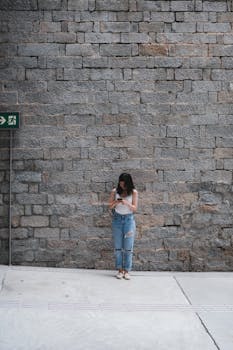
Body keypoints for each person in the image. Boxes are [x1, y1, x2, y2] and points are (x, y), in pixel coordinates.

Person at [108, 173, 138, 280]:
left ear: (128, 183)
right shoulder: (115, 191)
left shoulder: (134, 192)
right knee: (118, 248)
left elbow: (134, 209)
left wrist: (126, 203)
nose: (122, 186)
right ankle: (120, 270)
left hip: (129, 221)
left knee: (128, 248)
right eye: (121, 184)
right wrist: (116, 202)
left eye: (124, 184)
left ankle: (127, 271)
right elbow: (110, 206)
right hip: (117, 220)